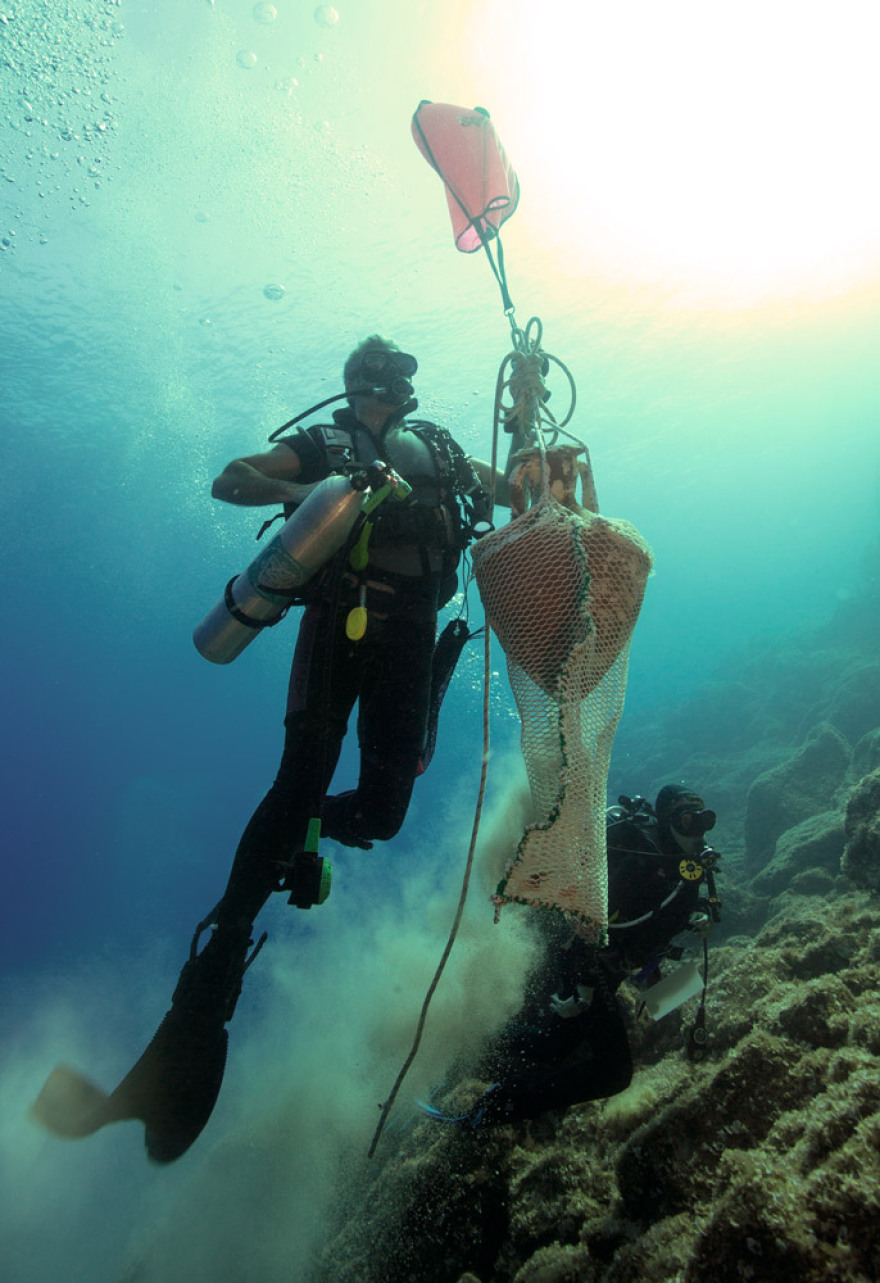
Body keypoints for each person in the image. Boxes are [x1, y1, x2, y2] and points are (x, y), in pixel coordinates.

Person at [33, 336, 523, 1162]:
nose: (383, 386)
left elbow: (516, 489)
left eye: (394, 374)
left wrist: (537, 442)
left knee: (383, 811)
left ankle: (303, 837)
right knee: (298, 780)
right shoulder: (323, 444)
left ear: (408, 384)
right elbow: (232, 476)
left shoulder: (442, 447)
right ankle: (206, 991)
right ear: (350, 384)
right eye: (370, 375)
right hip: (338, 625)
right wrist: (322, 487)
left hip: (410, 637)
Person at [423, 785, 721, 1126]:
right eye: (687, 821)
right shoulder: (641, 859)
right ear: (668, 821)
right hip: (584, 963)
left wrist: (698, 916)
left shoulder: (688, 866)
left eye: (704, 820)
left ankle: (464, 1052)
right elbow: (586, 923)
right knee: (614, 1072)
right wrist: (584, 990)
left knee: (551, 1046)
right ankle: (491, 1108)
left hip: (609, 969)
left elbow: (661, 919)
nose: (698, 831)